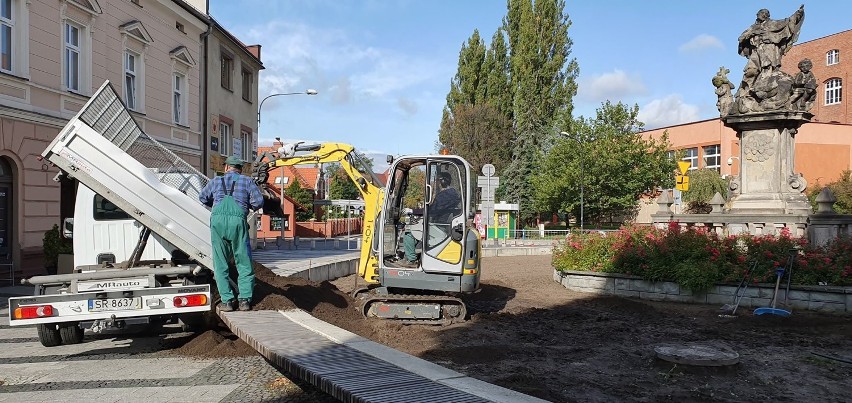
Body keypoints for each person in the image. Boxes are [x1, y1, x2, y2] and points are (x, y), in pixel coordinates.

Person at [198, 155, 263, 311]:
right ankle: (244, 301)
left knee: (220, 263)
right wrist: (249, 205)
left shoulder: (215, 181)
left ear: (226, 167)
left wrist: (213, 204)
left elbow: (202, 197)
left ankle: (227, 301)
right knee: (243, 261)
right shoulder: (247, 181)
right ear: (240, 170)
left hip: (218, 222)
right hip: (237, 222)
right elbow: (258, 202)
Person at [399, 171, 460, 268]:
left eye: (437, 181)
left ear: (443, 181)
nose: (437, 183)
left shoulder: (444, 195)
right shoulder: (453, 194)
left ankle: (411, 260)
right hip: (442, 224)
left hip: (438, 225)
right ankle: (412, 256)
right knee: (417, 229)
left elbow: (431, 210)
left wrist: (412, 210)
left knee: (409, 233)